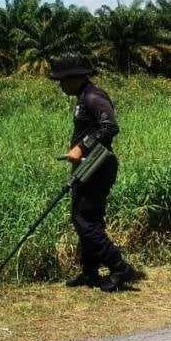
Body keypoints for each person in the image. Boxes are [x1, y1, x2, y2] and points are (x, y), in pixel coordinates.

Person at [48, 56, 137, 293]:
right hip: (87, 166)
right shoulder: (82, 98)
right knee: (88, 219)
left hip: (97, 166)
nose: (60, 85)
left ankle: (119, 267)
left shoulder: (93, 96)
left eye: (62, 80)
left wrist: (81, 147)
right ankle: (90, 272)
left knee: (83, 220)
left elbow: (110, 127)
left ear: (74, 78)